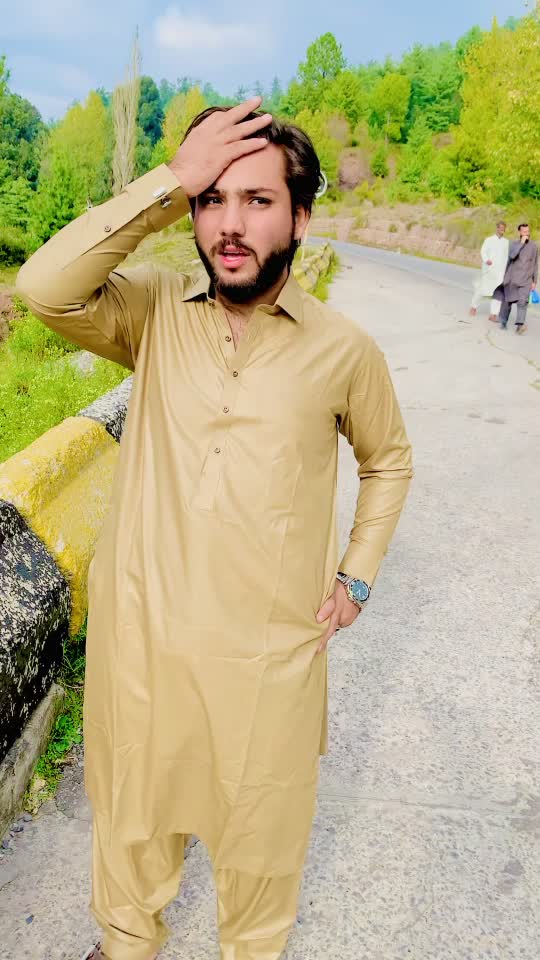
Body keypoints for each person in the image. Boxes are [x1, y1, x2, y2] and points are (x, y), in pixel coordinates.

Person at [16, 97, 412, 960]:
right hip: (143, 644)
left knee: (263, 841)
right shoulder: (153, 312)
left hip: (268, 655)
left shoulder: (344, 349)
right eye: (210, 200)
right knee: (132, 824)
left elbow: (389, 461)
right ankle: (128, 944)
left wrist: (358, 574)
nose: (229, 224)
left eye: (257, 200)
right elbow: (43, 287)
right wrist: (171, 179)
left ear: (301, 218)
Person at [494, 223, 538, 334]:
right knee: (507, 302)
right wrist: (521, 243)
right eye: (524, 231)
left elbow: (535, 264)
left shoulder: (534, 246)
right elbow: (512, 256)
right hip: (512, 278)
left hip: (526, 280)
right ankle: (503, 321)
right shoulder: (513, 244)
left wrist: (534, 280)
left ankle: (520, 325)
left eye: (528, 231)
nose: (527, 233)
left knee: (523, 302)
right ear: (520, 232)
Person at [469, 221, 508, 321]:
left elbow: (506, 257)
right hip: (489, 270)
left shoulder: (506, 242)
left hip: (500, 272)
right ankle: (473, 306)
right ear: (497, 228)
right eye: (501, 227)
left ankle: (493, 314)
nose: (502, 229)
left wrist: (506, 270)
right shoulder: (489, 240)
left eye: (504, 228)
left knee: (498, 293)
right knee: (482, 290)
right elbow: (483, 251)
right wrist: (486, 260)